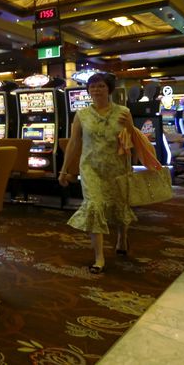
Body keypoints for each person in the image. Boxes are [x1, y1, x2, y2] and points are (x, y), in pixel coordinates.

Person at [59, 73, 136, 274]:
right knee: (94, 206)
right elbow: (74, 143)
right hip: (91, 168)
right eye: (92, 87)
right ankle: (99, 257)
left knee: (120, 204)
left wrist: (129, 126)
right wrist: (64, 169)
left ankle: (121, 237)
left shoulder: (123, 112)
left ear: (109, 89)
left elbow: (133, 140)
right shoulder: (82, 114)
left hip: (117, 167)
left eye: (100, 86)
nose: (96, 90)